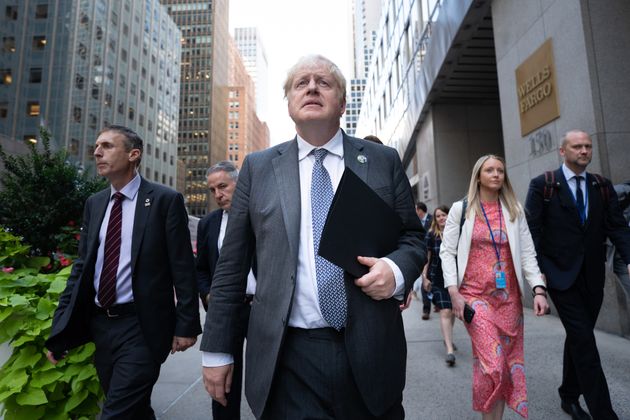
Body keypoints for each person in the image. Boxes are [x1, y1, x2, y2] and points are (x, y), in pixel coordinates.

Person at [200, 54, 425, 419]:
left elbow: (413, 238)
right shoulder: (258, 168)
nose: (312, 87)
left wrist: (396, 272)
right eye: (301, 82)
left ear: (342, 102)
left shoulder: (382, 160)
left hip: (369, 348)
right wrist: (217, 350)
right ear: (289, 101)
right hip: (287, 356)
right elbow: (230, 266)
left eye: (324, 82)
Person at [45, 125, 201, 419]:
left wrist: (186, 324)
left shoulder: (164, 200)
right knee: (135, 409)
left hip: (142, 326)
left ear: (133, 154)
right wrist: (59, 330)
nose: (97, 152)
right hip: (102, 324)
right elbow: (81, 270)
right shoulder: (95, 203)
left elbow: (183, 266)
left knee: (116, 412)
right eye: (96, 146)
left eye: (107, 146)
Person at [524, 130, 630, 420]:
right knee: (584, 340)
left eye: (588, 146)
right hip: (559, 277)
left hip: (593, 278)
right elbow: (532, 232)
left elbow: (617, 227)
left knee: (577, 338)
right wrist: (537, 279)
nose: (584, 151)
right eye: (577, 146)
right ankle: (604, 413)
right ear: (563, 151)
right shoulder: (543, 186)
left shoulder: (602, 186)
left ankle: (568, 396)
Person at [441, 154, 549, 419]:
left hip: (508, 300)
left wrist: (538, 289)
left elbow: (527, 253)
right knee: (496, 362)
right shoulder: (462, 209)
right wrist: (453, 291)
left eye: (500, 170)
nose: (496, 174)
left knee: (497, 366)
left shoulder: (514, 210)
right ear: (478, 176)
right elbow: (447, 251)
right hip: (474, 297)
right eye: (490, 170)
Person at [196, 160, 255, 420]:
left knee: (270, 377)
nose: (218, 195)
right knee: (223, 385)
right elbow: (200, 269)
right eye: (212, 190)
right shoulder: (208, 223)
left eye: (222, 186)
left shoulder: (262, 214)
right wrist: (209, 295)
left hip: (261, 309)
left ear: (239, 184)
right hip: (226, 311)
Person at [421, 205, 457, 366]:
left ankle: (447, 338)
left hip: (455, 280)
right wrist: (424, 277)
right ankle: (449, 349)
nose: (442, 218)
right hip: (437, 279)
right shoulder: (431, 235)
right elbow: (426, 259)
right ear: (435, 220)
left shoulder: (457, 233)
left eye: (444, 215)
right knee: (446, 311)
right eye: (438, 216)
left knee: (453, 311)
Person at [416, 201, 434, 319]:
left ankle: (438, 302)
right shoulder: (415, 221)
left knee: (435, 280)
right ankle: (426, 310)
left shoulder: (433, 219)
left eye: (415, 209)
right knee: (424, 279)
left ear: (420, 210)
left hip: (435, 254)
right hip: (423, 254)